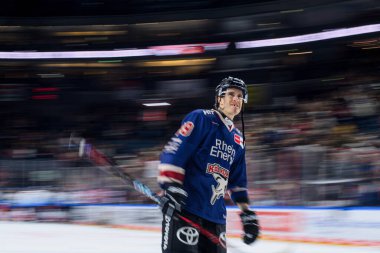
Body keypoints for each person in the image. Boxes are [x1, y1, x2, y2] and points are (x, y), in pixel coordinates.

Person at [157, 76, 259, 253]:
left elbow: (237, 181)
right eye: (231, 94)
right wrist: (171, 186)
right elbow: (175, 151)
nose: (236, 99)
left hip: (216, 217)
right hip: (186, 208)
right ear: (219, 98)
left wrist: (247, 213)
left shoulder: (238, 140)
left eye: (240, 96)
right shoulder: (201, 118)